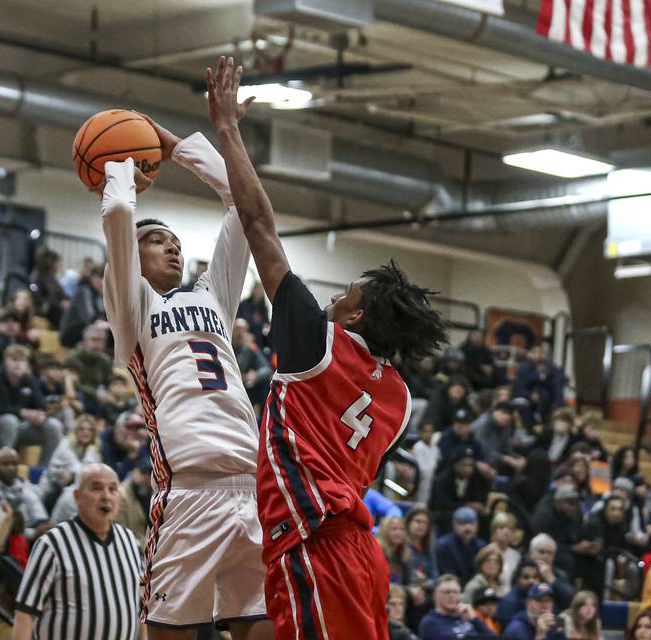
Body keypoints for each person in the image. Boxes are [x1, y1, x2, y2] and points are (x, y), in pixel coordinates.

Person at [208, 55, 448, 640]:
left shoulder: (318, 342)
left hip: (317, 545)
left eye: (345, 292)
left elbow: (261, 226)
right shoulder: (398, 398)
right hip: (360, 554)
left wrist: (228, 130)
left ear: (356, 313)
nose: (333, 297)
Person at [101, 86, 273, 634]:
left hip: (251, 485)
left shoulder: (212, 297)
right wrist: (121, 162)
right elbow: (123, 211)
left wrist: (180, 147)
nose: (171, 246)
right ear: (133, 252)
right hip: (188, 491)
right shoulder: (132, 307)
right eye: (156, 241)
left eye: (176, 240)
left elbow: (241, 205)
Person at [12, 463, 143, 640]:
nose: (106, 496)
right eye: (97, 488)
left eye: (113, 489)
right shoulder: (52, 544)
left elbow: (141, 608)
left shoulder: (130, 542)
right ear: (77, 496)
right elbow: (25, 613)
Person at [0, 345, 61, 465]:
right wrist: (23, 412)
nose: (18, 364)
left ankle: (43, 471)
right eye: (14, 360)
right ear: (5, 362)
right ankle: (2, 465)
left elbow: (41, 404)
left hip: (23, 427)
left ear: (27, 364)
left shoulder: (29, 379)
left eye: (22, 360)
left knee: (54, 425)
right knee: (10, 420)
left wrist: (40, 415)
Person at [0, 448, 51, 541]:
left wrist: (42, 527)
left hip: (28, 530)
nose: (11, 467)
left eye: (14, 464)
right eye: (5, 464)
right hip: (3, 536)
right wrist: (32, 533)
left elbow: (39, 512)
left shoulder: (22, 483)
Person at [429, 448, 491, 533]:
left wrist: (479, 507)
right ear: (455, 465)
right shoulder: (442, 480)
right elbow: (441, 505)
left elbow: (482, 495)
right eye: (463, 465)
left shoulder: (478, 478)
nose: (468, 469)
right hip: (446, 513)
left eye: (470, 466)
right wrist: (466, 505)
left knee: (485, 518)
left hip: (471, 514)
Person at [417, 574, 493, 640]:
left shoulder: (466, 617)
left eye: (455, 592)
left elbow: (493, 638)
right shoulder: (430, 623)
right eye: (447, 592)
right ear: (435, 595)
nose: (451, 595)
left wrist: (474, 619)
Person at [435, 507, 487, 587]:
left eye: (471, 523)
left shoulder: (482, 546)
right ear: (454, 524)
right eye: (462, 523)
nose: (468, 527)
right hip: (451, 587)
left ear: (477, 525)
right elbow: (447, 574)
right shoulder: (443, 545)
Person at [58, 264, 106, 348]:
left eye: (104, 278)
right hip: (71, 333)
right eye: (99, 277)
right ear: (92, 278)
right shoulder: (84, 291)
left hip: (84, 329)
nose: (102, 282)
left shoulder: (99, 294)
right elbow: (89, 318)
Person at [526, 534, 575, 613]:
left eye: (550, 553)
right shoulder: (524, 571)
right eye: (541, 552)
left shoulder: (560, 574)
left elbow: (571, 599)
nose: (546, 556)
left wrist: (552, 579)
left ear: (554, 557)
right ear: (531, 554)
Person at [497, 560, 542, 626]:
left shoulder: (541, 596)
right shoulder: (508, 603)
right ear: (517, 579)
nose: (531, 581)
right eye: (526, 577)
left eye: (535, 577)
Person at [411, 421, 440, 504]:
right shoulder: (418, 446)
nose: (429, 434)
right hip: (420, 479)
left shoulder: (435, 447)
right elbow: (421, 468)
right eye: (425, 431)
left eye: (431, 431)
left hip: (433, 480)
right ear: (420, 433)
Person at [490, 512, 521, 588]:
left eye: (511, 528)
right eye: (501, 527)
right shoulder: (486, 552)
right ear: (494, 531)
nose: (506, 531)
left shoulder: (516, 556)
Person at [376, 515, 409, 585]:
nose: (398, 533)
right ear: (384, 531)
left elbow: (407, 582)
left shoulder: (404, 554)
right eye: (394, 529)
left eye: (402, 529)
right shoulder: (377, 552)